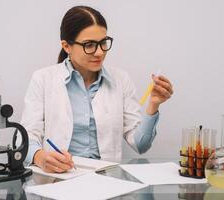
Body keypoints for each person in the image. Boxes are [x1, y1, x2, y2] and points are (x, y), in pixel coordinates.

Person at [21, 5, 173, 173]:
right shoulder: (42, 79)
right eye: (89, 45)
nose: (100, 52)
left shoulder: (121, 80)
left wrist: (153, 105)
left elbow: (141, 145)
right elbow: (26, 137)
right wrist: (39, 156)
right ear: (66, 46)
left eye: (103, 43)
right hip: (61, 178)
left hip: (107, 180)